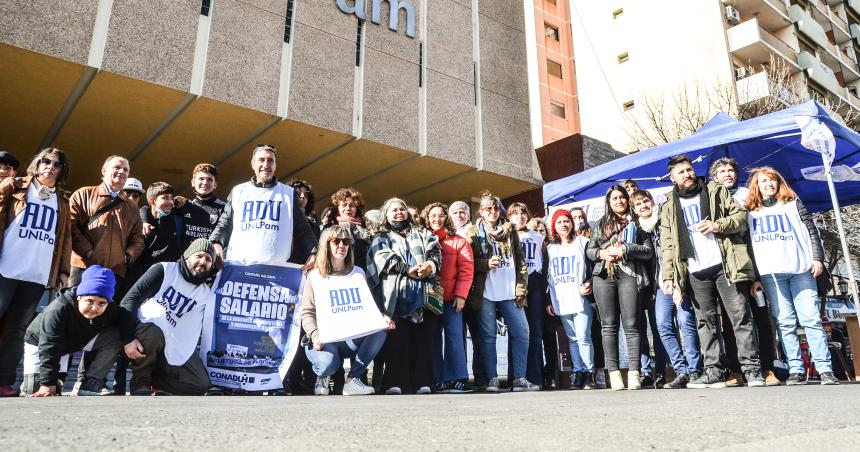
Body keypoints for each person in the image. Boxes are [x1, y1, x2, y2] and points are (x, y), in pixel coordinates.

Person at [659, 154, 764, 389]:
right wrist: (668, 276)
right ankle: (714, 371)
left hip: (724, 264)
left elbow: (740, 218)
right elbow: (667, 243)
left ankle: (751, 370)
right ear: (673, 178)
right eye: (681, 172)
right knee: (705, 323)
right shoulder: (667, 205)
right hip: (694, 270)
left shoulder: (715, 190)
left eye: (689, 170)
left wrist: (718, 225)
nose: (687, 174)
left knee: (740, 317)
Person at [745, 166, 838, 385]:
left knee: (811, 319)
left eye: (772, 180)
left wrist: (818, 258)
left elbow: (812, 232)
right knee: (785, 322)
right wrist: (756, 277)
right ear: (756, 186)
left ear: (779, 183)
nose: (769, 184)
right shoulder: (751, 212)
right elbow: (749, 246)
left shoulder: (793, 204)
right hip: (771, 274)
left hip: (800, 269)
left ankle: (825, 369)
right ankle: (795, 369)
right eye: (763, 181)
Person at [0, 148, 72, 397]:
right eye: (45, 161)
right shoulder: (15, 186)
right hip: (6, 267)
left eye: (56, 164)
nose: (50, 167)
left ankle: (3, 382)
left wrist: (64, 271)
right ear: (36, 163)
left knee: (17, 329)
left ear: (62, 170)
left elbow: (64, 239)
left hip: (37, 274)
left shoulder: (62, 200)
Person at [710, 157, 780, 387]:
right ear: (715, 176)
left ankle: (768, 367)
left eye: (731, 170)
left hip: (753, 262)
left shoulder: (749, 195)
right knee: (732, 320)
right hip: (727, 267)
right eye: (722, 171)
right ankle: (736, 370)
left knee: (761, 318)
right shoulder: (710, 199)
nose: (727, 174)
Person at [122, 239, 218, 396]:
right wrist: (127, 339)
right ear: (187, 257)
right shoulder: (165, 270)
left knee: (200, 385)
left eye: (208, 259)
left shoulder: (205, 293)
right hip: (147, 334)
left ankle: (157, 381)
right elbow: (130, 300)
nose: (203, 261)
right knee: (153, 329)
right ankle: (141, 379)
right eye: (199, 255)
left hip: (176, 341)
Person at [21, 265, 134, 397]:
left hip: (74, 343)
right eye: (90, 301)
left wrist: (129, 340)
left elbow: (125, 315)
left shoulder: (110, 309)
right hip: (40, 344)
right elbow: (48, 346)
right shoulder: (58, 309)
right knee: (37, 392)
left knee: (116, 335)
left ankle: (90, 382)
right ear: (79, 296)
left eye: (101, 303)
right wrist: (47, 383)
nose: (94, 308)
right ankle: (45, 382)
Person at [301, 225, 388, 396]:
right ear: (326, 244)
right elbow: (307, 312)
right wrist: (315, 335)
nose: (342, 245)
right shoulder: (315, 276)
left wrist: (381, 318)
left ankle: (353, 380)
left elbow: (366, 309)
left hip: (349, 337)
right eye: (336, 241)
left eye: (346, 242)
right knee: (327, 364)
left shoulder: (358, 273)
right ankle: (323, 376)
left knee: (380, 330)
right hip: (325, 338)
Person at [466, 191, 539, 392]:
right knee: (488, 337)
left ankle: (518, 379)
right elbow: (468, 262)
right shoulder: (472, 232)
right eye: (488, 208)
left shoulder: (510, 230)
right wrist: (485, 263)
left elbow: (521, 261)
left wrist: (521, 287)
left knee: (522, 333)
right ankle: (492, 379)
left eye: (496, 208)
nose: (492, 211)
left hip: (510, 291)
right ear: (481, 212)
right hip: (486, 292)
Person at [367, 198, 441, 394]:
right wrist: (407, 269)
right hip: (394, 296)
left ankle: (422, 382)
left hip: (422, 295)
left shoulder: (424, 233)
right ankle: (395, 383)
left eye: (402, 209)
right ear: (386, 215)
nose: (399, 212)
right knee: (397, 340)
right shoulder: (381, 237)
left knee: (422, 339)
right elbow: (381, 257)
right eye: (394, 210)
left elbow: (435, 253)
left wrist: (429, 266)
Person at [631, 189, 701, 389]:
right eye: (639, 204)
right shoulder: (641, 230)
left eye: (646, 201)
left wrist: (680, 282)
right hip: (661, 284)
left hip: (679, 278)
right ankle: (682, 371)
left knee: (685, 321)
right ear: (635, 210)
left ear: (652, 202)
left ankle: (695, 370)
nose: (644, 206)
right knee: (662, 324)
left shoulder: (665, 219)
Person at [586, 186, 653, 390]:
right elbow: (589, 250)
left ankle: (634, 374)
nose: (618, 201)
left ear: (627, 200)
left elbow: (648, 251)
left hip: (630, 274)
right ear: (609, 202)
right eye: (614, 198)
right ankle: (614, 374)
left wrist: (626, 248)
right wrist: (601, 254)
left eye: (622, 197)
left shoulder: (638, 223)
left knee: (632, 326)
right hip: (604, 276)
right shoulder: (600, 224)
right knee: (608, 326)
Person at [209, 145, 316, 269]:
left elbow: (303, 229)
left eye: (270, 160)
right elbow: (225, 224)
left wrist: (314, 252)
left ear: (275, 165)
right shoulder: (238, 191)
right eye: (261, 160)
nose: (266, 164)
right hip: (239, 268)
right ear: (253, 164)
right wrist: (216, 243)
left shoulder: (289, 194)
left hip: (276, 272)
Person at [422, 202, 475, 393]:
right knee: (433, 339)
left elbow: (466, 271)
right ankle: (436, 379)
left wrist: (461, 295)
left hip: (452, 299)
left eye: (441, 216)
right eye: (433, 216)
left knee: (454, 338)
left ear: (447, 218)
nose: (437, 219)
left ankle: (457, 378)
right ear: (427, 218)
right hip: (428, 299)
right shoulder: (421, 239)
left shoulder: (459, 241)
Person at [69, 155, 144, 287]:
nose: (122, 172)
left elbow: (138, 238)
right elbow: (69, 226)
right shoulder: (83, 194)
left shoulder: (132, 206)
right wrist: (88, 252)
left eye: (125, 170)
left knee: (104, 308)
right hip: (82, 267)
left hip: (114, 272)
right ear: (104, 170)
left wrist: (127, 256)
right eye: (117, 167)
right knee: (73, 306)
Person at [546, 209, 595, 390]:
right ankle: (578, 373)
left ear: (572, 224)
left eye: (566, 221)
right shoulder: (551, 249)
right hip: (561, 298)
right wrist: (548, 301)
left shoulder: (582, 242)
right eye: (559, 222)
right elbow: (547, 277)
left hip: (580, 297)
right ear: (554, 227)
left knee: (583, 336)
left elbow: (594, 267)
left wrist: (589, 283)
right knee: (572, 338)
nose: (563, 225)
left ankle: (588, 373)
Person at [508, 202, 546, 388]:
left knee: (535, 333)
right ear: (509, 217)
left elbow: (543, 263)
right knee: (517, 332)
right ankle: (514, 376)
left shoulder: (537, 237)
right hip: (515, 286)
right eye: (515, 213)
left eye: (523, 212)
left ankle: (535, 376)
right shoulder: (506, 235)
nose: (520, 216)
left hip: (536, 285)